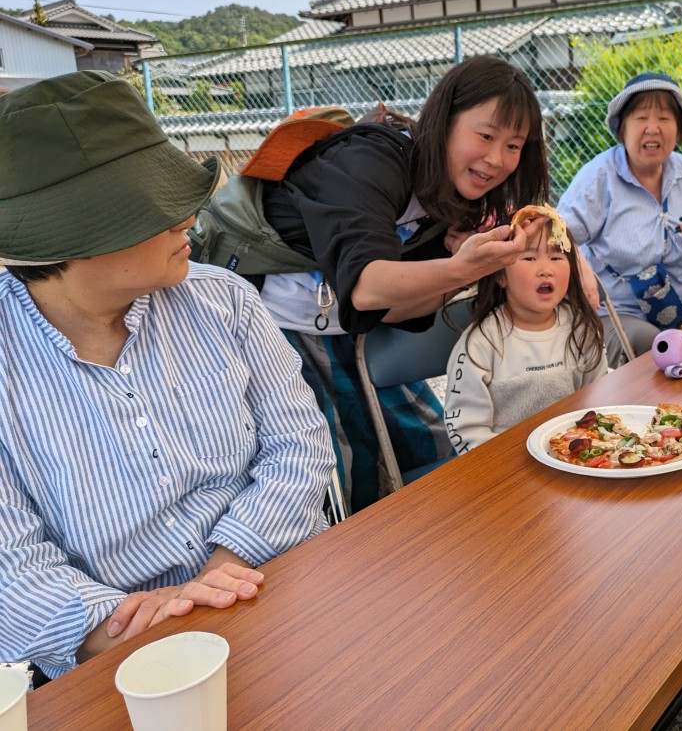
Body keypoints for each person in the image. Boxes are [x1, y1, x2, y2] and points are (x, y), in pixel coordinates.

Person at [0, 71, 335, 680]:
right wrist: (148, 623)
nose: (190, 216)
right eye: (158, 204)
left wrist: (216, 578)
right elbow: (13, 571)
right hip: (124, 665)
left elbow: (300, 446)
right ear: (71, 234)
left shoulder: (225, 301)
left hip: (279, 593)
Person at [248, 56, 549, 510]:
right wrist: (463, 268)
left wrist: (459, 267)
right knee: (335, 478)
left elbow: (389, 308)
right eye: (485, 136)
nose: (496, 159)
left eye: (513, 145)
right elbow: (367, 287)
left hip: (352, 330)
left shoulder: (454, 192)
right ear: (443, 120)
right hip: (277, 329)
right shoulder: (370, 159)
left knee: (435, 451)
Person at [557, 73, 682, 366]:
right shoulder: (599, 177)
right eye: (641, 118)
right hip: (622, 310)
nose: (653, 128)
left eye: (664, 118)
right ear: (622, 128)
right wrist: (583, 271)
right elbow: (558, 236)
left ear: (679, 130)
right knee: (660, 349)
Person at [443, 209, 607, 452]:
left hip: (575, 458)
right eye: (529, 258)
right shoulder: (481, 342)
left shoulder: (580, 329)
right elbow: (466, 430)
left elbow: (601, 400)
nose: (546, 269)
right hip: (505, 467)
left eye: (556, 257)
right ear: (500, 275)